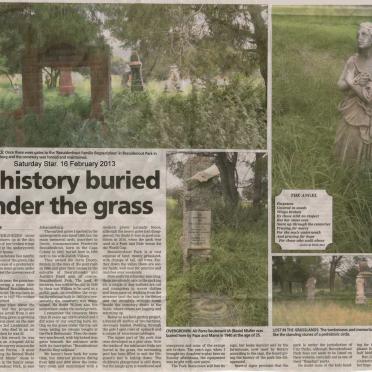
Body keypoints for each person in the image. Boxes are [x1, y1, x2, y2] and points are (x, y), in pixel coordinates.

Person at [335, 22, 372, 165]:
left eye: (364, 34)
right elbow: (340, 84)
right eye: (358, 35)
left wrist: (352, 82)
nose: (359, 38)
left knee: (361, 143)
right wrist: (354, 81)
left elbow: (369, 99)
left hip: (367, 114)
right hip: (351, 108)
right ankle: (344, 175)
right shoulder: (353, 60)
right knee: (345, 140)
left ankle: (360, 177)